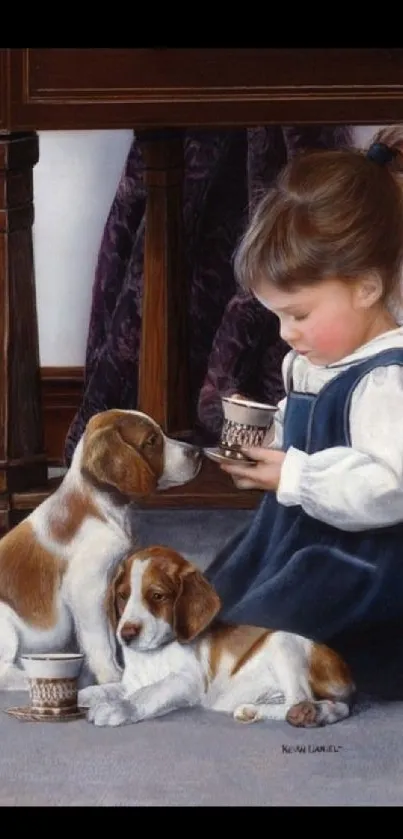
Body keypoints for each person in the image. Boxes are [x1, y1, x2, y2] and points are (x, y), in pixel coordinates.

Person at [205, 127, 403, 698]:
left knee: (270, 630)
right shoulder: (316, 361)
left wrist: (292, 474)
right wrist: (268, 438)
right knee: (222, 597)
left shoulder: (385, 377)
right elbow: (307, 427)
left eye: (299, 314)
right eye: (278, 318)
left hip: (361, 556)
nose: (287, 335)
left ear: (367, 286)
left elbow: (390, 487)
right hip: (302, 530)